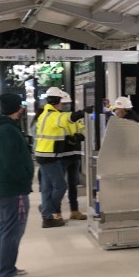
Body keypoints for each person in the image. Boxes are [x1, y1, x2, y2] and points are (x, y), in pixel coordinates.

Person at [0, 93, 34, 277]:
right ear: (17, 108)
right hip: (12, 188)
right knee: (13, 230)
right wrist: (24, 178)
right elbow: (11, 162)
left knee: (6, 227)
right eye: (20, 106)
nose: (22, 109)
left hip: (3, 186)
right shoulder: (6, 130)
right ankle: (7, 273)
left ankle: (5, 267)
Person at [34, 87, 86, 228]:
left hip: (46, 154)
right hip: (50, 156)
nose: (64, 106)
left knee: (47, 187)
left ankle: (47, 215)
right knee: (60, 186)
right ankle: (47, 210)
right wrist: (83, 112)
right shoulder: (52, 115)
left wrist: (78, 136)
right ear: (57, 101)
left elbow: (76, 126)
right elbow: (67, 119)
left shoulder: (47, 114)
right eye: (62, 103)